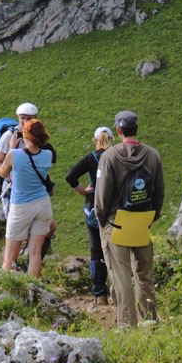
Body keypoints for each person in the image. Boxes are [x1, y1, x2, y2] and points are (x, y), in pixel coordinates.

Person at [94, 110, 165, 327]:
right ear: (136, 128)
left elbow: (102, 194)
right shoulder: (153, 155)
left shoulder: (110, 157)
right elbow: (159, 190)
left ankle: (127, 325)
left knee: (122, 276)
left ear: (118, 130)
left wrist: (102, 219)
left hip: (117, 222)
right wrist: (151, 217)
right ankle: (150, 321)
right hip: (143, 221)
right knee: (144, 275)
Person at [0, 103, 56, 253]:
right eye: (22, 118)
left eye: (29, 119)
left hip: (33, 190)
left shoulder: (36, 137)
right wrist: (9, 174)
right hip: (12, 191)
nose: (25, 122)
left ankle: (28, 257)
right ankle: (20, 259)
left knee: (49, 227)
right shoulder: (9, 136)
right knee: (18, 234)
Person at [65, 125, 115, 305]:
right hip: (114, 208)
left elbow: (70, 176)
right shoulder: (117, 156)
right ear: (112, 140)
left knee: (96, 250)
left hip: (93, 207)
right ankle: (118, 291)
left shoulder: (91, 158)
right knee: (116, 248)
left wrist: (84, 192)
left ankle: (99, 294)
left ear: (95, 141)